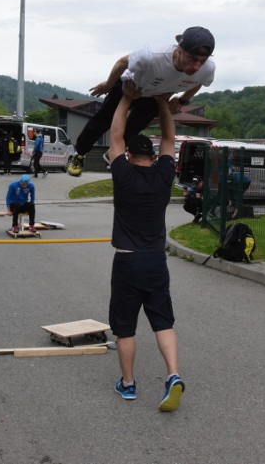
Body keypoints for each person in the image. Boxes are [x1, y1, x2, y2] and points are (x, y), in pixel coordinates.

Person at [108, 81, 184, 412]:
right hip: (156, 261)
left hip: (127, 262)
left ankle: (128, 385)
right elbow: (170, 138)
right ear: (152, 157)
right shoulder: (163, 175)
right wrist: (162, 103)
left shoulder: (122, 174)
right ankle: (173, 374)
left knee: (125, 327)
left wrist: (126, 99)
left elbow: (114, 136)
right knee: (163, 322)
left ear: (128, 156)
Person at [67, 26, 216, 177]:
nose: (196, 66)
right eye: (193, 59)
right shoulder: (152, 55)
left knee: (134, 128)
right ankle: (79, 154)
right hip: (130, 87)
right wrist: (108, 85)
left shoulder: (208, 69)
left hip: (155, 95)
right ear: (179, 49)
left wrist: (183, 100)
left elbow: (200, 82)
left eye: (202, 61)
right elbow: (122, 62)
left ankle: (112, 152)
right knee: (102, 121)